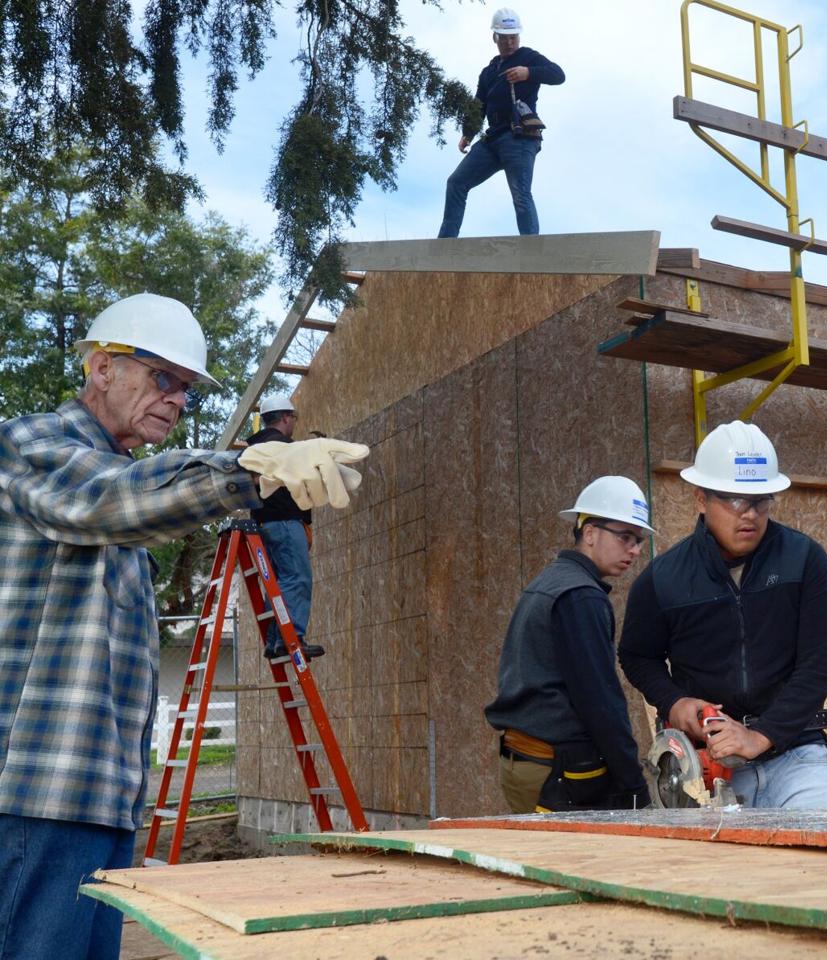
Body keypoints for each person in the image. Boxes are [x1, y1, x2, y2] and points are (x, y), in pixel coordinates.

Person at [0, 293, 369, 960]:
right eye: (163, 378)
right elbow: (110, 496)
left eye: (187, 392)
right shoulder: (31, 447)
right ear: (103, 367)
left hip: (103, 801)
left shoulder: (127, 489)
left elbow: (130, 495)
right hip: (37, 797)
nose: (175, 400)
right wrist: (250, 466)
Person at [619, 421, 827, 809]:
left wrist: (762, 735)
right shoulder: (663, 580)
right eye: (734, 500)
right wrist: (674, 702)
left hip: (795, 757)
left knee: (817, 860)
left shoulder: (805, 561)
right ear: (701, 499)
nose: (750, 515)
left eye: (760, 500)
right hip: (705, 768)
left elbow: (819, 663)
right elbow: (638, 656)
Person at [485, 476, 653, 813]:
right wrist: (633, 783)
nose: (634, 550)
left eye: (638, 540)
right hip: (555, 769)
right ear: (589, 533)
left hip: (526, 761)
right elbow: (600, 701)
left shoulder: (551, 581)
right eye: (625, 537)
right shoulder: (581, 597)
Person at [437, 7, 565, 238]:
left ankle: (531, 252)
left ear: (519, 36)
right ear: (494, 37)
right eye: (504, 38)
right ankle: (445, 245)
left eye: (513, 37)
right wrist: (468, 132)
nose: (509, 43)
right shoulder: (489, 71)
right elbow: (479, 104)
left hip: (519, 138)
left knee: (520, 193)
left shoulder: (528, 57)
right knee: (456, 183)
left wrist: (528, 72)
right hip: (492, 140)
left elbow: (558, 74)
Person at [247, 393, 322, 659]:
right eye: (293, 418)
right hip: (286, 521)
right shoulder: (285, 447)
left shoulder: (254, 450)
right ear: (287, 417)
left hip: (263, 524)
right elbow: (303, 482)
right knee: (297, 579)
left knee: (278, 583)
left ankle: (276, 641)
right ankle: (294, 639)